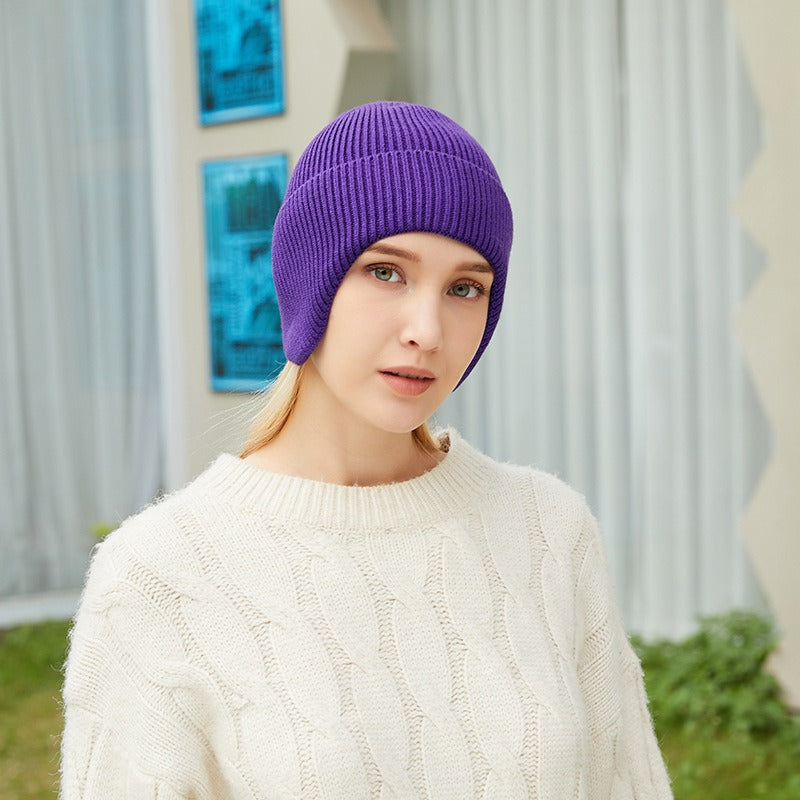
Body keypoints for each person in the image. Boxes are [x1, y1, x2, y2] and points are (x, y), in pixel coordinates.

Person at [60, 101, 672, 799]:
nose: (427, 330)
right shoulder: (158, 576)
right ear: (309, 282)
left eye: (465, 287)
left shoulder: (549, 531)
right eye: (386, 272)